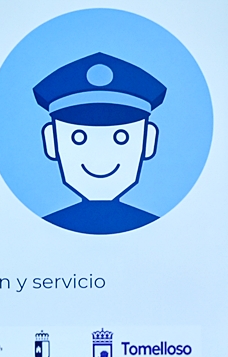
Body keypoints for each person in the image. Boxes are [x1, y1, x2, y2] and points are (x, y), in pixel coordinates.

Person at [33, 52, 164, 234]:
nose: (101, 154)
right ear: (51, 141)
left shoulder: (157, 229)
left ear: (148, 141)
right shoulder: (42, 230)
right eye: (79, 138)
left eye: (121, 137)